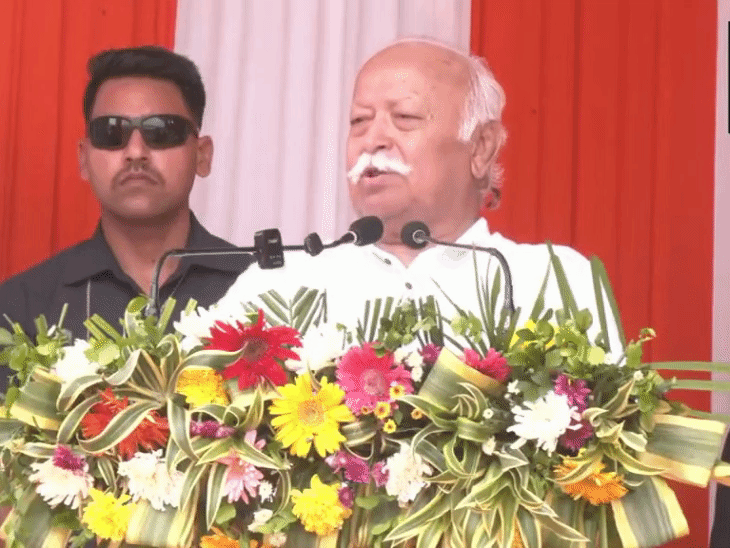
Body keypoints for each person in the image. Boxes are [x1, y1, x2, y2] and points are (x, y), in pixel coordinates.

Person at [216, 37, 621, 350]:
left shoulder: (552, 281)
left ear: (480, 147)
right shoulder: (281, 282)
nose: (373, 139)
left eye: (405, 118)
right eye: (359, 121)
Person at [0, 46, 251, 393]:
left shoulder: (258, 288)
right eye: (111, 132)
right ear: (84, 158)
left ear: (202, 155)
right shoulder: (20, 309)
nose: (135, 152)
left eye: (161, 131)